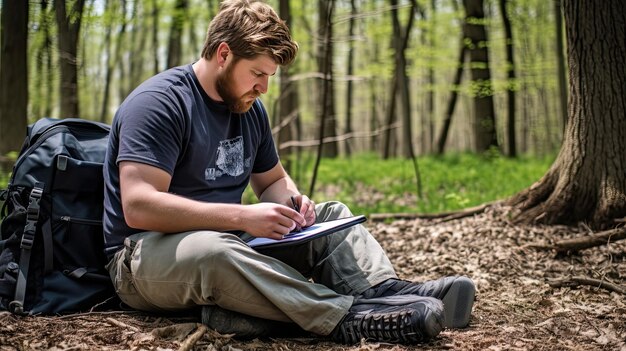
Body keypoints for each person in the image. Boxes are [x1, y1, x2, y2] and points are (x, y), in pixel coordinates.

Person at [103, 0, 476, 345]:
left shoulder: (248, 109)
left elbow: (272, 181)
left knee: (333, 215)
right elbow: (138, 206)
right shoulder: (159, 103)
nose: (263, 87)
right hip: (142, 261)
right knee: (214, 251)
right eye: (257, 73)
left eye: (269, 77)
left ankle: (381, 291)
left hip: (231, 245)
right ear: (223, 54)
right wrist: (244, 216)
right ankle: (347, 316)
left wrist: (294, 203)